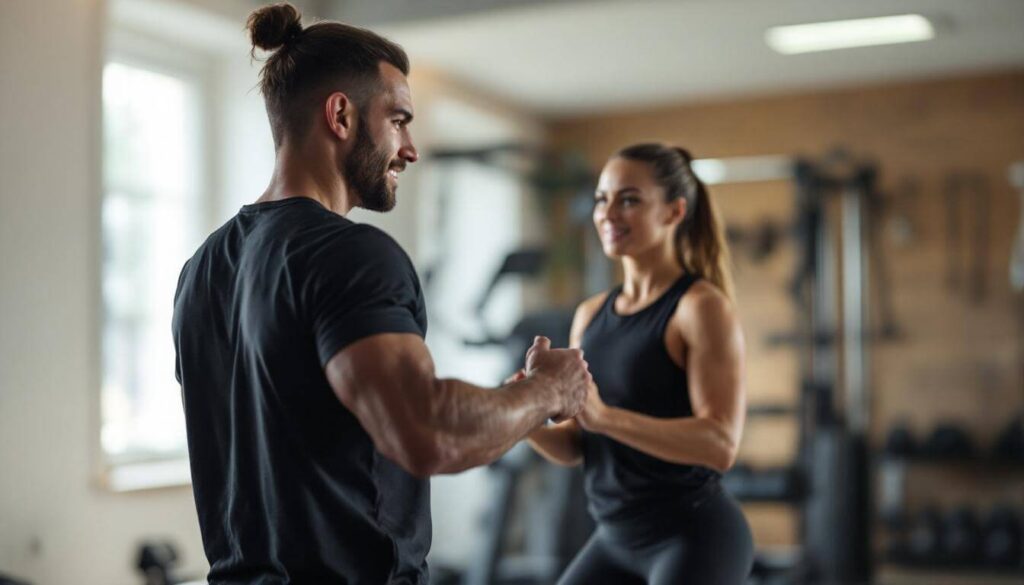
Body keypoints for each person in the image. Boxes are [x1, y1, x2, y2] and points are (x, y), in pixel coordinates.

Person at [171, 4, 590, 584]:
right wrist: (549, 391)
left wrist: (507, 403)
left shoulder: (202, 269)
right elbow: (425, 433)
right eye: (398, 120)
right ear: (340, 115)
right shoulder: (351, 254)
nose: (410, 148)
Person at [521, 143, 754, 584]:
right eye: (601, 199)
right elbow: (577, 443)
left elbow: (720, 443)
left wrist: (605, 418)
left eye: (629, 199)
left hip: (693, 536)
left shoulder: (699, 306)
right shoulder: (590, 314)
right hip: (613, 536)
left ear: (673, 212)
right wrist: (526, 414)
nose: (608, 213)